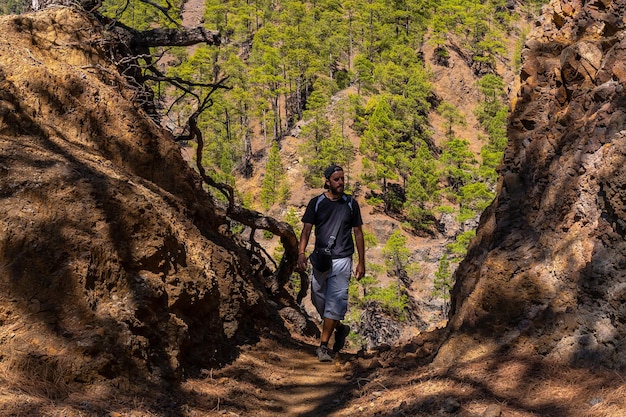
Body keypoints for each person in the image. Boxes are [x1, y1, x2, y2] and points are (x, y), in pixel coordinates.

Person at [297, 164, 365, 362]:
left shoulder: (351, 204)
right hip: (321, 260)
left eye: (343, 178)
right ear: (328, 181)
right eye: (336, 179)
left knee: (335, 302)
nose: (341, 182)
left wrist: (361, 262)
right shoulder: (316, 203)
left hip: (343, 259)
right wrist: (301, 253)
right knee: (318, 299)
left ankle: (324, 346)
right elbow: (307, 230)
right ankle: (340, 328)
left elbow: (358, 233)